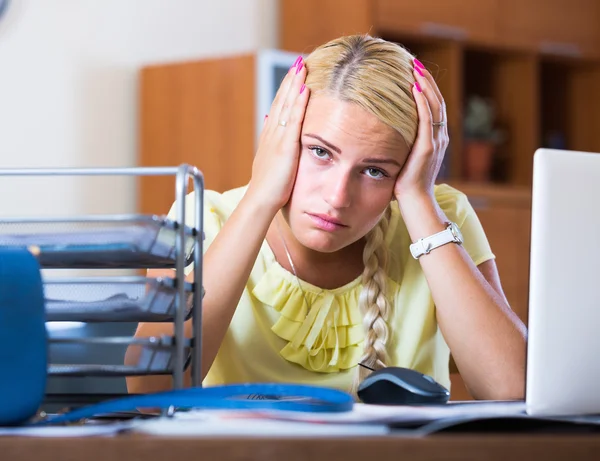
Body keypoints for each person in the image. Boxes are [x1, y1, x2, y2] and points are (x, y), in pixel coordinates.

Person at [125, 35, 527, 400]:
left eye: (375, 171)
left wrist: (418, 199)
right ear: (277, 138)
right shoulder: (203, 219)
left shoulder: (438, 217)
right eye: (320, 152)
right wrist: (262, 195)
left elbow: (512, 389)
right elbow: (150, 390)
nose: (337, 198)